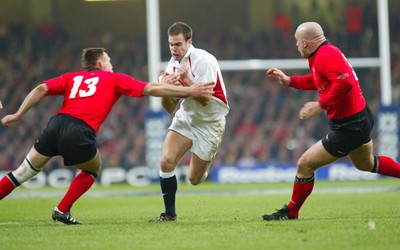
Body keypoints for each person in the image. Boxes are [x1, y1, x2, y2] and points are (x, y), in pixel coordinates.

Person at [0, 47, 214, 225]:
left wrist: (18, 114)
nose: (112, 65)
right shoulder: (113, 79)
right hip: (80, 129)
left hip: (56, 124)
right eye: (109, 61)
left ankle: (60, 209)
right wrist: (190, 91)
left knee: (21, 173)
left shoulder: (71, 77)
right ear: (101, 63)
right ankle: (62, 209)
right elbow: (150, 88)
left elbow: (40, 88)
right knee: (93, 169)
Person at [263, 22, 400, 221]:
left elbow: (344, 82)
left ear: (305, 42)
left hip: (349, 125)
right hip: (359, 118)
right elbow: (318, 79)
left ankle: (291, 212)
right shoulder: (323, 54)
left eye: (296, 42)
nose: (296, 45)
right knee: (366, 163)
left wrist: (320, 105)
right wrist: (289, 80)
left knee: (304, 164)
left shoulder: (326, 56)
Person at [150, 22, 229, 221]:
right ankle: (169, 214)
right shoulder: (172, 64)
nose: (173, 49)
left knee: (194, 179)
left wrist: (187, 81)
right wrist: (164, 90)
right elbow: (169, 108)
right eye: (170, 45)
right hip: (186, 117)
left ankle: (204, 167)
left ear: (189, 42)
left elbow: (205, 99)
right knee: (166, 161)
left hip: (210, 122)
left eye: (177, 44)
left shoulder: (204, 60)